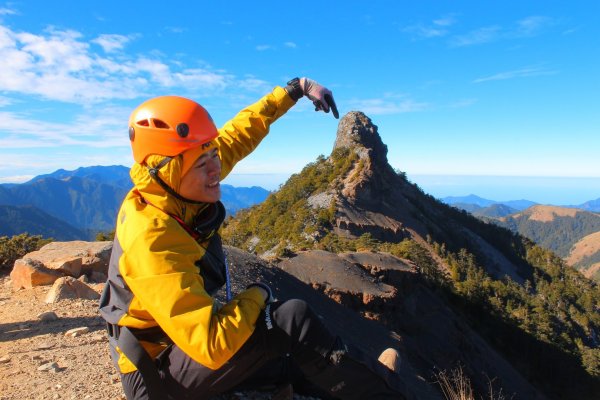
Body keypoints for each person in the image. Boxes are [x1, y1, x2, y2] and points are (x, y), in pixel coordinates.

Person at [99, 77, 408, 399]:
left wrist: (295, 89)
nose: (215, 169)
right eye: (203, 163)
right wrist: (258, 293)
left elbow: (239, 132)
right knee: (291, 319)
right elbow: (211, 344)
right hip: (155, 373)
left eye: (214, 156)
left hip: (178, 342)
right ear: (165, 171)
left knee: (293, 358)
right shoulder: (151, 236)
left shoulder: (177, 186)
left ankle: (373, 382)